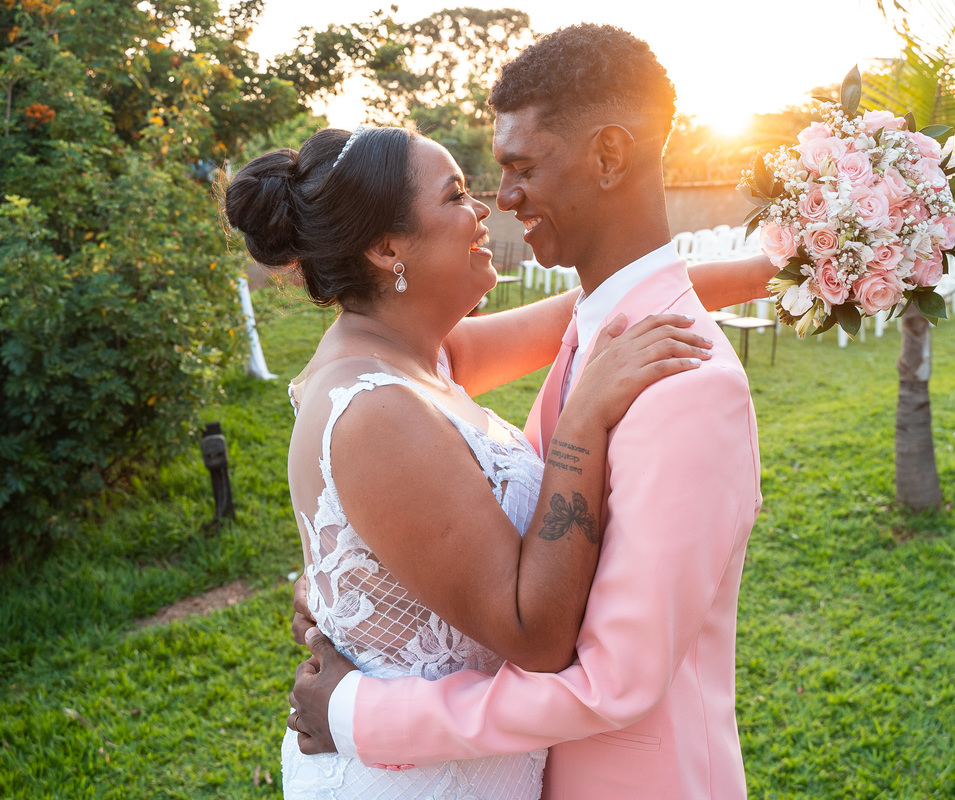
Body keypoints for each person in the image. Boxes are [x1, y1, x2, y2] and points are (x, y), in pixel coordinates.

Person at [287, 23, 766, 800]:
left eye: (518, 167)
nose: (496, 202)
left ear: (610, 156)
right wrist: (350, 598)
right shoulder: (394, 383)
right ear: (386, 250)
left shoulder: (686, 385)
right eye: (462, 191)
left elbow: (613, 682)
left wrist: (777, 265)